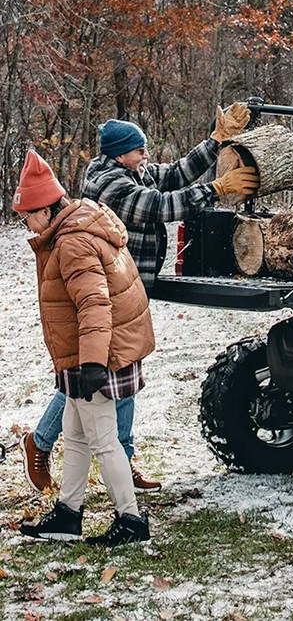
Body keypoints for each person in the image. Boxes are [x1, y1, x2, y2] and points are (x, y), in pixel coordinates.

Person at [19, 103, 258, 494]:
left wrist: (216, 142)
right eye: (139, 149)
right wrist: (216, 189)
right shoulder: (109, 183)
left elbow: (175, 173)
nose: (146, 155)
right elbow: (158, 207)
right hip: (104, 293)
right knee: (87, 375)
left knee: (123, 374)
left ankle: (123, 459)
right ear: (118, 153)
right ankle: (41, 442)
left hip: (130, 289)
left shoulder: (132, 169)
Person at [15, 150, 155, 545]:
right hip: (85, 352)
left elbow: (95, 304)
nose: (26, 223)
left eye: (27, 214)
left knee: (103, 439)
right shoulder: (75, 228)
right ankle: (68, 513)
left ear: (46, 209)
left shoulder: (73, 243)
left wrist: (93, 364)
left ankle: (131, 520)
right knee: (74, 434)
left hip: (96, 355)